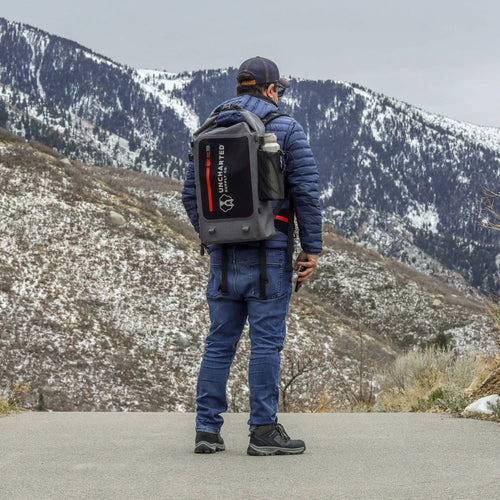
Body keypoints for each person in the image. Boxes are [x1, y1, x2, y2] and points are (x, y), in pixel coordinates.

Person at [182, 56, 322, 456]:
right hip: (269, 255)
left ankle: (207, 431)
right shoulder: (287, 128)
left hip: (222, 258)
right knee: (265, 344)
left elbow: (191, 196)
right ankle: (263, 430)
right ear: (271, 89)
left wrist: (214, 234)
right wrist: (311, 249)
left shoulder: (209, 129)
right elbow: (306, 195)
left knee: (219, 343)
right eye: (280, 89)